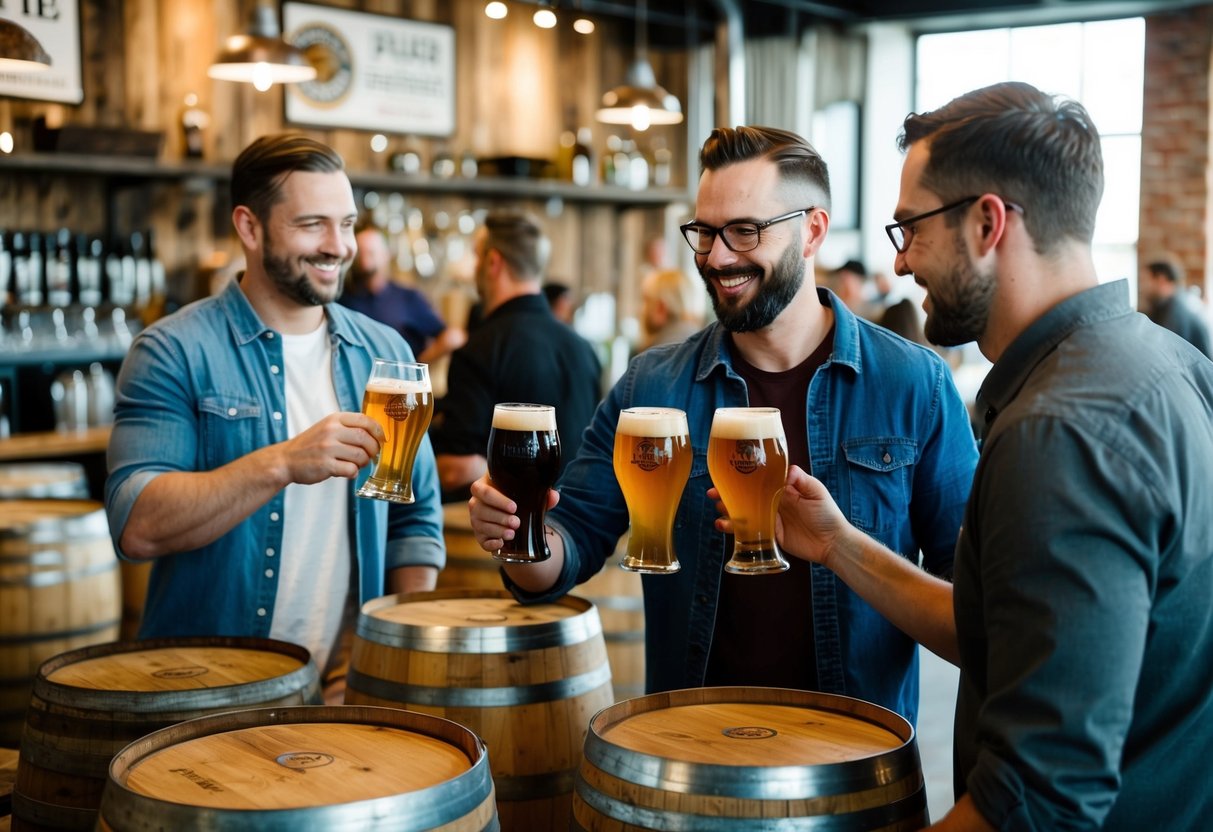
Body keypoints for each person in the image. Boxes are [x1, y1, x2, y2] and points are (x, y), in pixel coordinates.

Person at [758, 83, 1213, 830]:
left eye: (909, 228)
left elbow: (1036, 801)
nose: (899, 265)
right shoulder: (1174, 366)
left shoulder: (1058, 435)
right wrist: (839, 544)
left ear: (986, 222)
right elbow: (1001, 637)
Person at [468, 126, 978, 725]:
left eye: (745, 230)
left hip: (857, 766)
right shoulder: (651, 388)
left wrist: (843, 548)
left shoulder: (914, 384)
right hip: (687, 757)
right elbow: (569, 544)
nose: (716, 256)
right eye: (704, 232)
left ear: (813, 230)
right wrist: (517, 537)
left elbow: (969, 615)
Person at [105, 134, 445, 702]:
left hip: (344, 690)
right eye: (313, 224)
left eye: (347, 223)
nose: (339, 246)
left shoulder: (384, 354)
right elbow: (137, 523)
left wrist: (382, 653)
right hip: (201, 692)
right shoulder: (172, 350)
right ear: (249, 227)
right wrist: (283, 462)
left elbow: (415, 518)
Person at [429, 212, 601, 503]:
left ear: (493, 263)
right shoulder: (584, 349)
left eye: (477, 258)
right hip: (578, 531)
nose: (475, 269)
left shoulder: (480, 349)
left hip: (500, 535)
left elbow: (455, 470)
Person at [340, 219, 467, 364]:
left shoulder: (407, 298)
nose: (364, 260)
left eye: (371, 253)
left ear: (386, 254)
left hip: (398, 383)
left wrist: (416, 365)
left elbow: (453, 337)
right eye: (360, 253)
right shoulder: (343, 299)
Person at [1138, 257, 1211, 357]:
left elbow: (1165, 353)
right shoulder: (1173, 302)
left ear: (1161, 280)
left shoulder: (1177, 310)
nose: (1141, 287)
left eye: (1144, 280)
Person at [638, 267, 702, 350]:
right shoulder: (700, 341)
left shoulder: (658, 354)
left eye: (646, 300)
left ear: (661, 308)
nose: (640, 309)